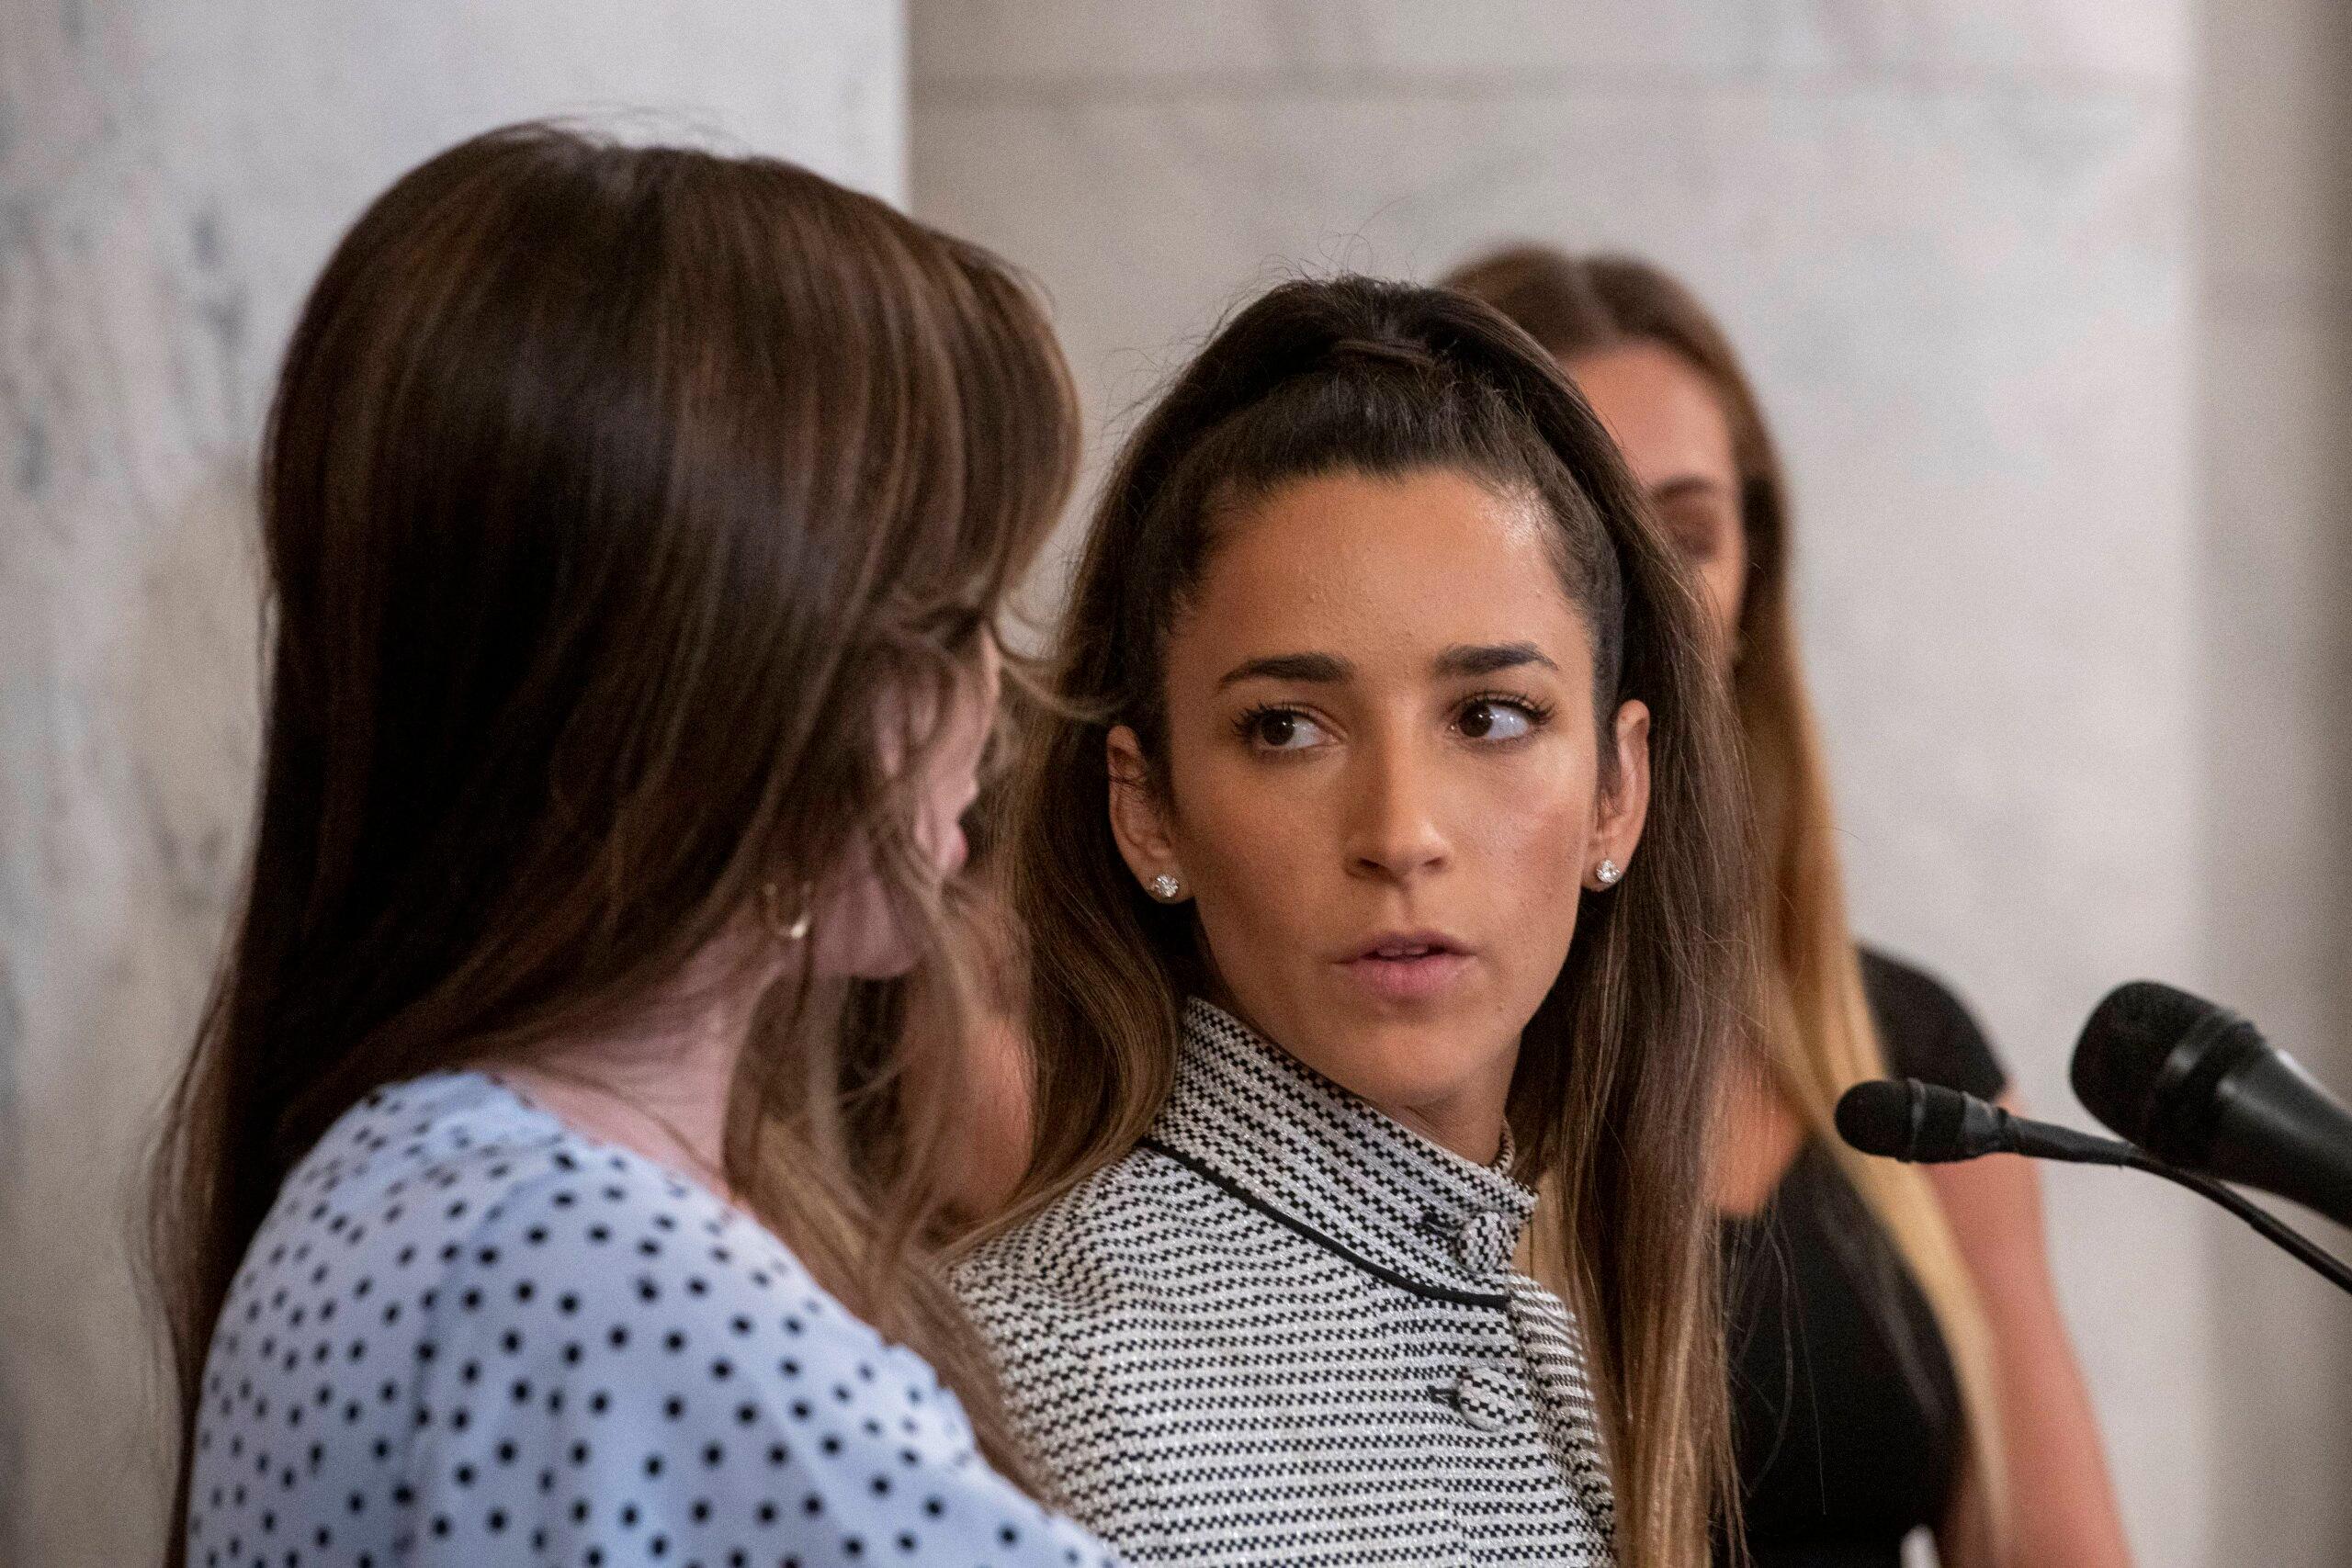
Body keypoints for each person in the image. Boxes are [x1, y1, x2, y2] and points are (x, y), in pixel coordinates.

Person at [145, 122, 1120, 1568]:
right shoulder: (605, 1283)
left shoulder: (404, 1176)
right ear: (754, 684)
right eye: (954, 621)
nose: (998, 694)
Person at [950, 276, 1758, 1568]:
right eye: (1287, 728)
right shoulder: (1038, 1388)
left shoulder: (1551, 1349)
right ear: (1148, 807)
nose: (1401, 832)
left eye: (1491, 715)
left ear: (1618, 793)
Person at [1442, 244, 2132, 1568]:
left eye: (1687, 533)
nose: (1646, 591)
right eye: (1576, 534)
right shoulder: (1372, 1037)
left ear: (1755, 585)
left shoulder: (1909, 1059)